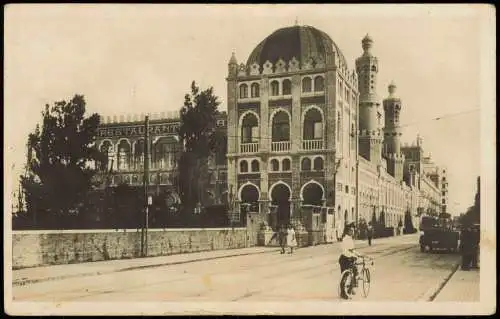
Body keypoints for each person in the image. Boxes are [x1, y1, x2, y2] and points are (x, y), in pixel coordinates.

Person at [338, 223, 361, 295]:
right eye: (351, 230)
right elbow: (344, 251)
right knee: (346, 275)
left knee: (355, 272)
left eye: (353, 230)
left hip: (349, 258)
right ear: (347, 231)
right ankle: (343, 292)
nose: (352, 232)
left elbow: (352, 250)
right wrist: (352, 256)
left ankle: (351, 288)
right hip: (344, 259)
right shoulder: (345, 239)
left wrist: (358, 254)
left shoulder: (350, 239)